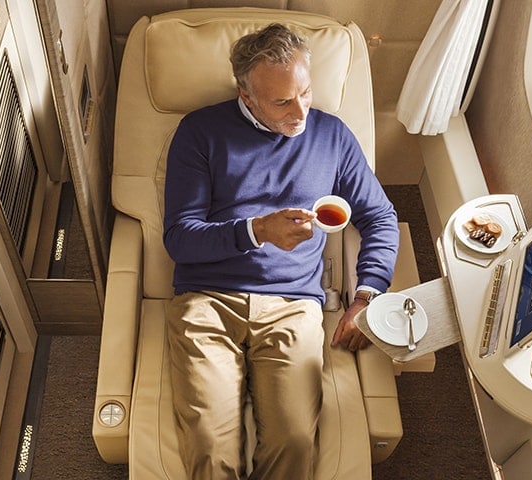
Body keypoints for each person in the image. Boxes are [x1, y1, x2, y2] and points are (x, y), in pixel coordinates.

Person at [163, 23, 399, 479]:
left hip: (293, 306)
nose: (301, 111)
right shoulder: (199, 132)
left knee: (292, 442)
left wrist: (366, 298)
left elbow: (381, 218)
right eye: (282, 102)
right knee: (211, 448)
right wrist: (257, 231)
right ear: (246, 95)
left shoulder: (332, 136)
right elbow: (180, 238)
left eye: (306, 93)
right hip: (207, 300)